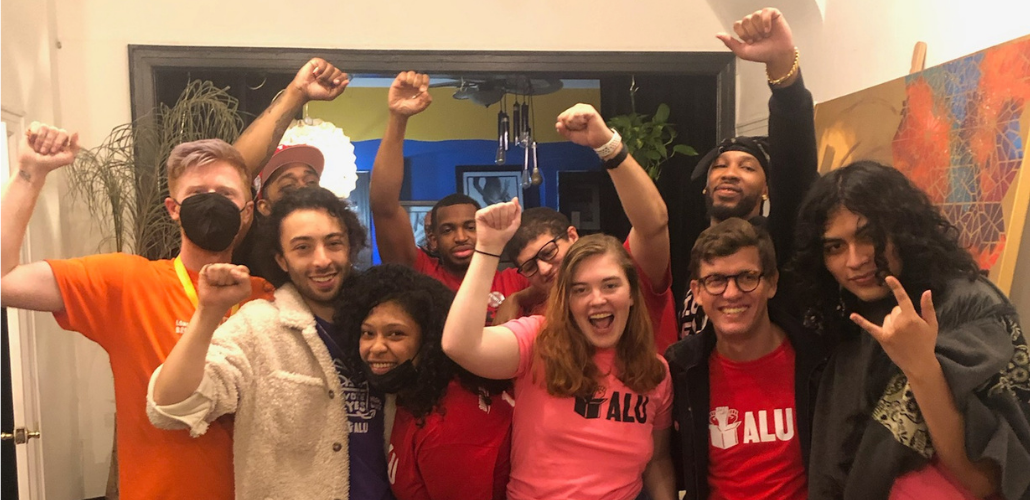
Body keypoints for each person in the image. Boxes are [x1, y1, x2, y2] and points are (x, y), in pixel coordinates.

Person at [0, 124, 274, 500]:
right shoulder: (127, 283)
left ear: (246, 212)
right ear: (174, 210)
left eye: (226, 194)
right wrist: (30, 173)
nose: (211, 202)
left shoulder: (268, 299)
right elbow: (4, 280)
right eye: (196, 194)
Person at [791, 161, 1030, 499]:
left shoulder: (969, 308)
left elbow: (988, 480)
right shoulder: (849, 317)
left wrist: (921, 368)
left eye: (869, 237)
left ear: (904, 230)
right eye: (835, 247)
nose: (854, 260)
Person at [147, 186, 383, 499]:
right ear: (281, 260)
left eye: (334, 243)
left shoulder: (380, 320)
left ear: (351, 247)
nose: (322, 260)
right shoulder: (258, 326)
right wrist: (207, 313)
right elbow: (169, 407)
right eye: (303, 248)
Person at [441, 198, 676, 500]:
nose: (597, 299)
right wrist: (488, 247)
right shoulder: (537, 340)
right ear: (566, 300)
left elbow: (658, 462)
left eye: (610, 285)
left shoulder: (657, 373)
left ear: (631, 293)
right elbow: (459, 345)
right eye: (580, 290)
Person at [678, 7, 818, 337]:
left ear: (768, 188)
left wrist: (784, 76)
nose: (730, 173)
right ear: (705, 187)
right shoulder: (693, 251)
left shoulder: (775, 242)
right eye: (721, 166)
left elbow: (795, 172)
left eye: (747, 167)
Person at [496, 100, 677, 352]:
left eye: (548, 253)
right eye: (530, 267)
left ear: (572, 235)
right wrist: (518, 297)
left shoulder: (623, 274)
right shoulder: (536, 313)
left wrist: (607, 146)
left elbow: (653, 224)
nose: (544, 269)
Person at [664, 218, 825, 500]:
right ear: (697, 292)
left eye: (747, 277)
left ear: (772, 283)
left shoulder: (818, 361)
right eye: (716, 280)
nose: (732, 293)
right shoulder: (682, 369)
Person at [334, 264, 514, 500]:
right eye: (367, 333)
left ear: (429, 339)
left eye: (395, 333)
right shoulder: (418, 391)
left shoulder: (448, 428)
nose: (376, 348)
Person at [369, 71, 528, 322]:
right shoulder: (421, 273)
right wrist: (398, 118)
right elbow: (384, 207)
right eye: (447, 230)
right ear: (432, 238)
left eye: (470, 227)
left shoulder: (516, 282)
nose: (461, 237)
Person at [231, 57, 349, 277]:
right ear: (263, 206)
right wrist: (298, 91)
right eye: (288, 187)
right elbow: (233, 176)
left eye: (311, 183)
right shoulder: (247, 252)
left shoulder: (335, 251)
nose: (303, 190)